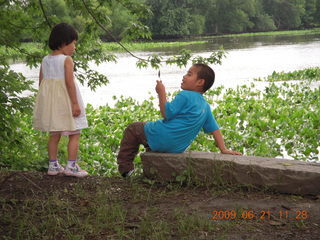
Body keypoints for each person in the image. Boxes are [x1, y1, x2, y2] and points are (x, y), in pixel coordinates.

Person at [117, 63, 242, 177]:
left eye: (189, 74)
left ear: (200, 82)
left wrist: (161, 92)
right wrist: (223, 149)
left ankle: (126, 170)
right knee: (149, 132)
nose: (184, 76)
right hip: (176, 148)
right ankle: (152, 156)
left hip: (162, 136)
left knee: (133, 129)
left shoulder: (185, 95)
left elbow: (166, 114)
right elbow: (215, 129)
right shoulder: (205, 106)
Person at [33, 23, 88, 177]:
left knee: (54, 134)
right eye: (74, 43)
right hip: (67, 102)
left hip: (52, 105)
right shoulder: (66, 60)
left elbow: (41, 83)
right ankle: (71, 166)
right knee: (75, 133)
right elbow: (69, 84)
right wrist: (75, 104)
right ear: (64, 42)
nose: (74, 47)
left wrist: (45, 104)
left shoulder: (45, 60)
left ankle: (53, 165)